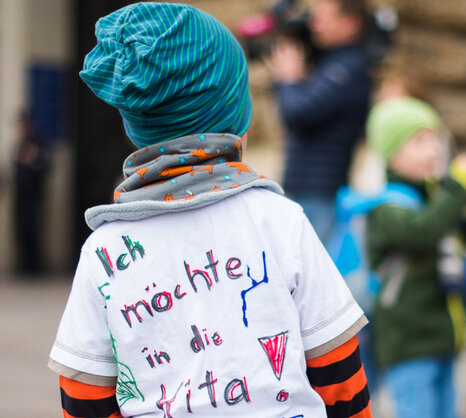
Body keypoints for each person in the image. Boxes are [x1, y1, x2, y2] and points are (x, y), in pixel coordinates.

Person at [48, 4, 370, 417]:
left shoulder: (105, 252)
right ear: (234, 118)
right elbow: (340, 376)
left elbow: (83, 395)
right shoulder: (279, 221)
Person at [364, 97, 466, 418]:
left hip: (445, 337)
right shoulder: (386, 207)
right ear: (391, 152)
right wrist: (458, 189)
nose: (432, 150)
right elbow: (422, 233)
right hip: (408, 344)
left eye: (434, 139)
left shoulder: (440, 197)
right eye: (418, 142)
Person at [268, 0, 371, 243]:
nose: (314, 25)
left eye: (323, 18)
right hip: (307, 187)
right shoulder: (332, 64)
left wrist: (289, 79)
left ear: (350, 23)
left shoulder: (348, 68)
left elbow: (298, 112)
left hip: (321, 192)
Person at [14, 111, 50, 277]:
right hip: (21, 197)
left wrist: (33, 157)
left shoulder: (38, 144)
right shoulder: (19, 145)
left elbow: (44, 165)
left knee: (33, 229)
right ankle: (23, 265)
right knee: (21, 229)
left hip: (34, 196)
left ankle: (34, 267)